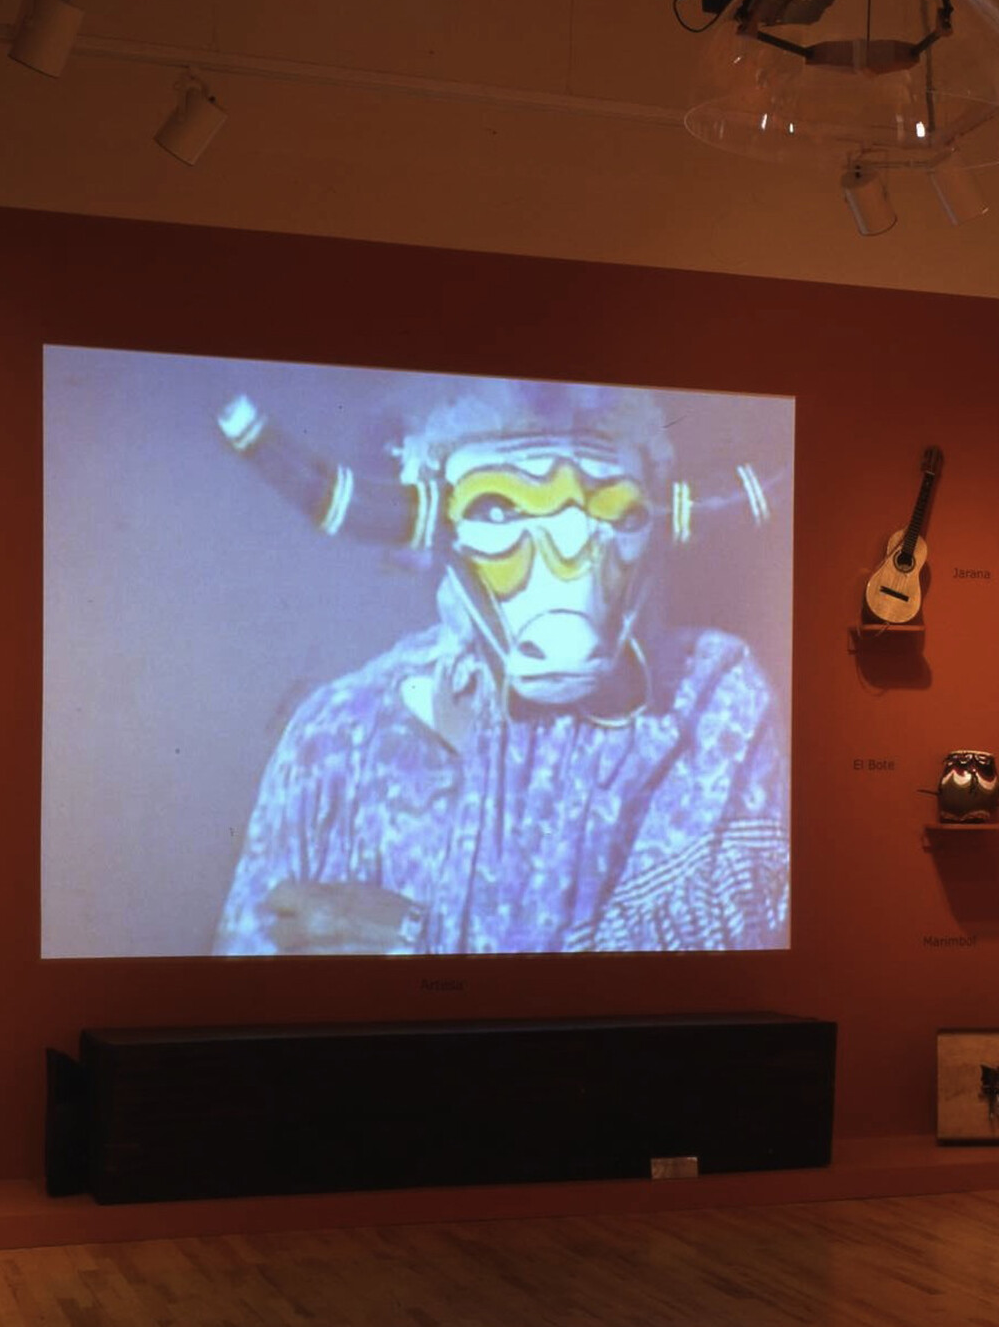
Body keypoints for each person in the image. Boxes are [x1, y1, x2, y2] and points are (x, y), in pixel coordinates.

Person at [218, 380, 787, 954]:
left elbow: (712, 950)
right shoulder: (335, 733)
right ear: (441, 529)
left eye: (619, 515)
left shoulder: (708, 697)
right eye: (494, 508)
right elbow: (251, 971)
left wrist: (420, 940)